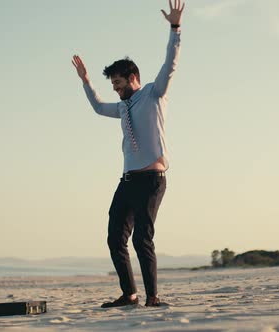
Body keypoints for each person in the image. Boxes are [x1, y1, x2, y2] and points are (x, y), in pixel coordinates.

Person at [71, 0, 185, 308]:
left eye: (118, 83)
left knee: (141, 239)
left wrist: (175, 29)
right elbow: (97, 108)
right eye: (113, 85)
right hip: (128, 180)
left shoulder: (153, 93)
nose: (115, 89)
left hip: (151, 179)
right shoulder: (122, 107)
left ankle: (153, 297)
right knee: (114, 237)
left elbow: (170, 64)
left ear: (132, 78)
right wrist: (86, 81)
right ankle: (129, 294)